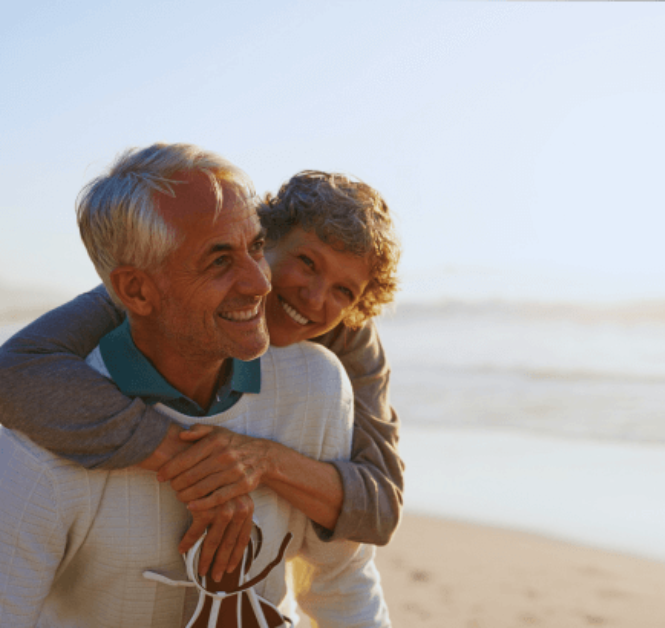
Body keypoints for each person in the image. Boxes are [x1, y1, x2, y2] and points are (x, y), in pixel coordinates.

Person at [0, 143, 390, 627]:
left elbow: (350, 570)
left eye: (252, 249)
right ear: (137, 291)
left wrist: (261, 461)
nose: (260, 284)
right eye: (220, 260)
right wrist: (189, 461)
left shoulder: (323, 382)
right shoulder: (40, 431)